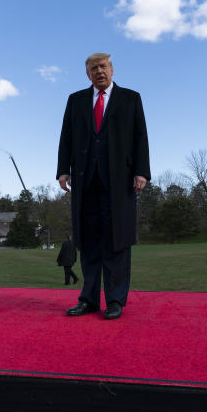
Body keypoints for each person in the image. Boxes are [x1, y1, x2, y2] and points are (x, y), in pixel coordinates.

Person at [57, 53, 150, 320]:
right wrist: (63, 169)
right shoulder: (75, 101)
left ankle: (115, 301)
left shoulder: (131, 98)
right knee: (87, 243)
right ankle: (87, 299)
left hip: (119, 182)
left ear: (112, 69)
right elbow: (66, 136)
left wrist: (141, 171)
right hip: (85, 181)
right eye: (94, 68)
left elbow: (140, 136)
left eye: (103, 67)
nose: (99, 71)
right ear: (88, 74)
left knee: (116, 241)